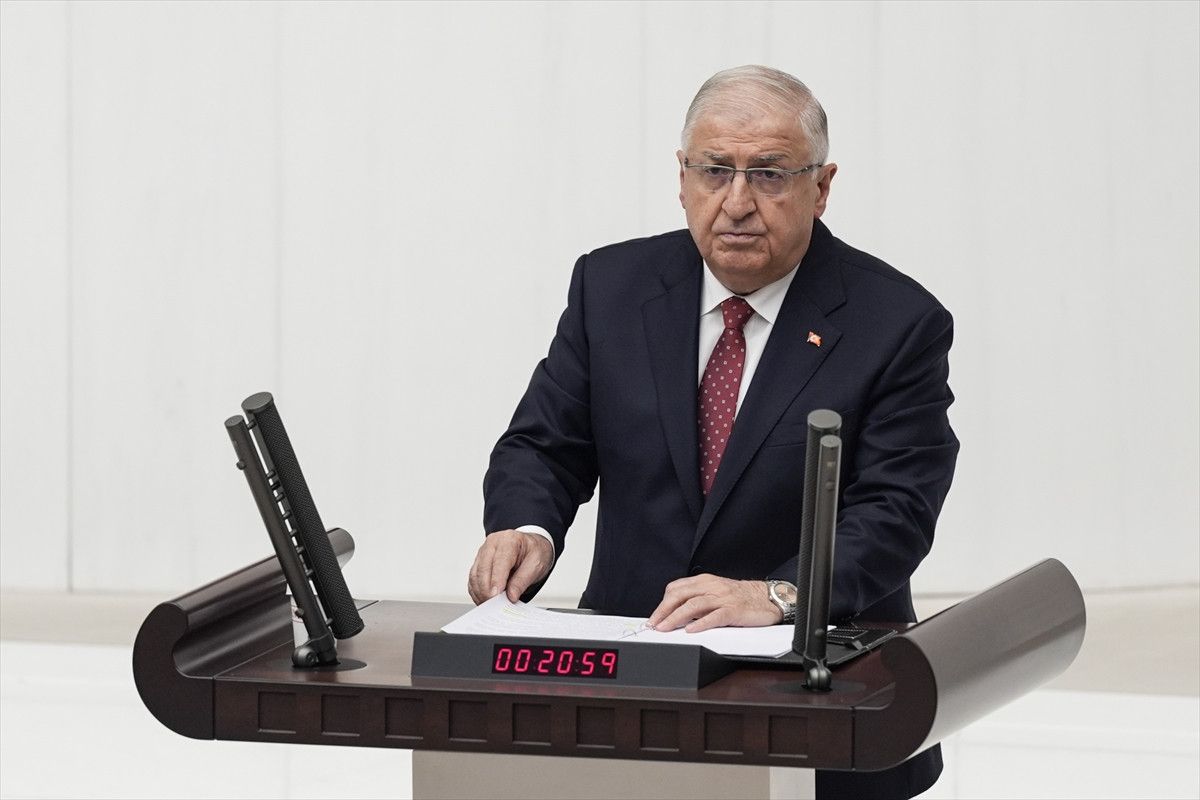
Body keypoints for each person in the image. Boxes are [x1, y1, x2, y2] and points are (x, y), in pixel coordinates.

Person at [467, 65, 958, 799]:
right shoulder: (611, 287)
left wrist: (780, 594)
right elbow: (545, 444)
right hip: (632, 682)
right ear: (682, 177)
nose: (737, 202)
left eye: (769, 174)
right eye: (715, 170)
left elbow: (896, 511)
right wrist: (527, 527)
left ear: (822, 187)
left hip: (821, 701)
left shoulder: (896, 322)